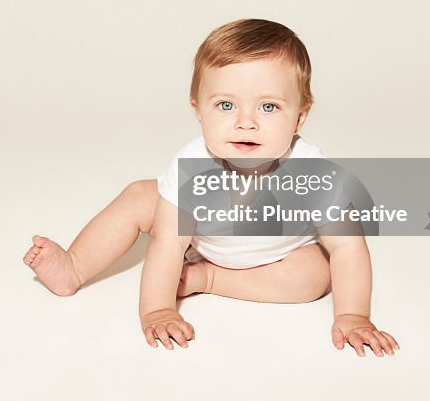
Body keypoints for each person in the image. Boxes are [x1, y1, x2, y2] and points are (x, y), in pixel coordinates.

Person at [22, 18, 399, 357]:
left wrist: (354, 316)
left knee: (316, 274)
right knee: (140, 196)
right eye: (226, 106)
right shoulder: (192, 167)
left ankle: (207, 278)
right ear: (198, 110)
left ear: (299, 117)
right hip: (201, 238)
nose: (246, 123)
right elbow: (168, 243)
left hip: (276, 255)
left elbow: (348, 247)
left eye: (268, 107)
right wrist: (158, 309)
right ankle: (75, 266)